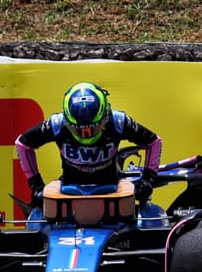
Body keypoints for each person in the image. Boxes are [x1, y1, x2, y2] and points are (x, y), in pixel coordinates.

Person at [15, 82, 162, 207]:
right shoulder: (57, 124)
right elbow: (23, 144)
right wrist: (36, 186)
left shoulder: (118, 121)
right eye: (78, 129)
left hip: (112, 191)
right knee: (39, 213)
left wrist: (148, 180)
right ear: (67, 120)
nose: (86, 134)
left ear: (105, 116)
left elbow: (153, 142)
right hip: (69, 191)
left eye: (94, 128)